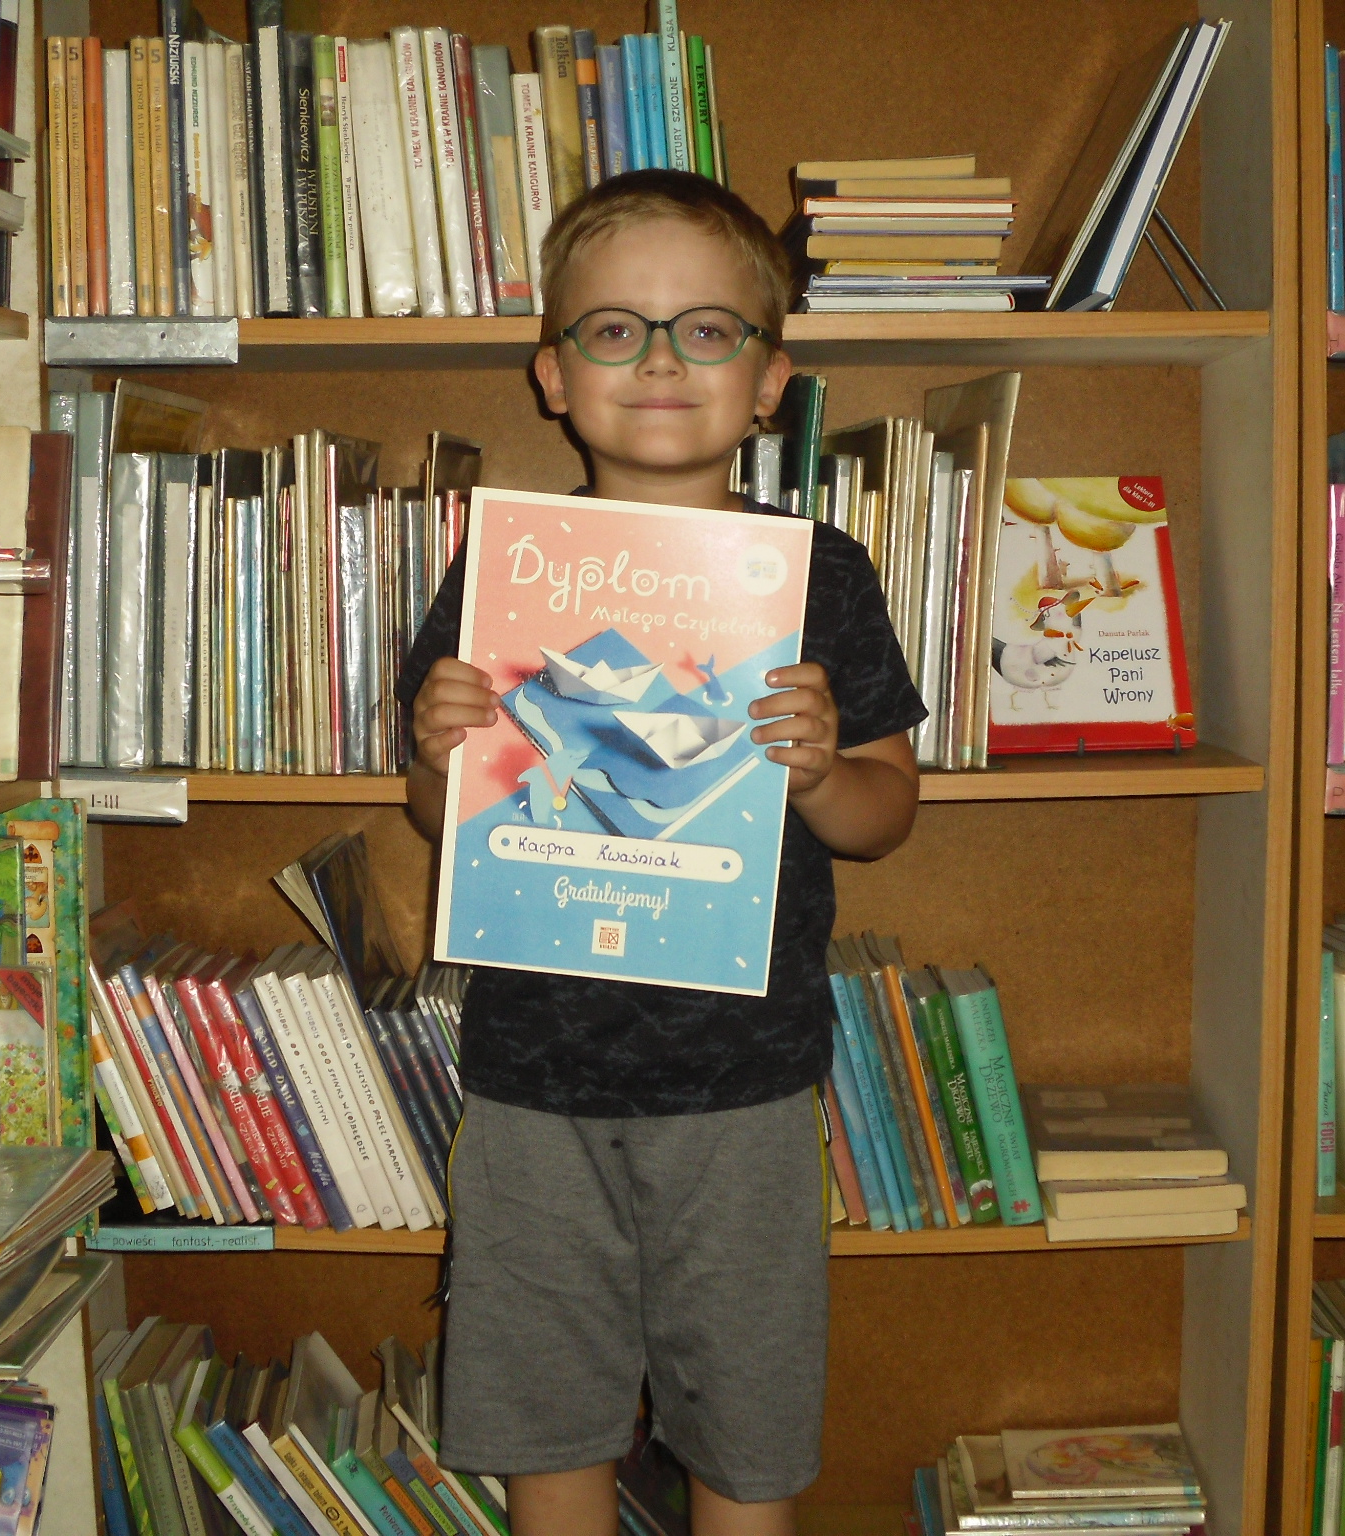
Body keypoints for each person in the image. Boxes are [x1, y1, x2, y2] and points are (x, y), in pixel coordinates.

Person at [397, 168, 925, 1536]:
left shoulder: (822, 572)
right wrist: (442, 754)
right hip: (534, 1074)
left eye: (707, 329)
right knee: (547, 1420)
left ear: (770, 381)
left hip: (745, 1079)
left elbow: (887, 815)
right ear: (553, 375)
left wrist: (822, 773)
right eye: (614, 329)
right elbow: (439, 819)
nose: (660, 361)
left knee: (745, 1437)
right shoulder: (503, 569)